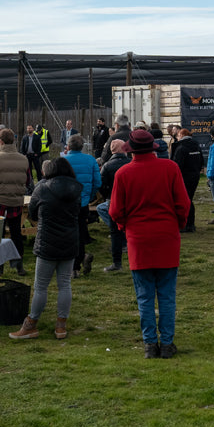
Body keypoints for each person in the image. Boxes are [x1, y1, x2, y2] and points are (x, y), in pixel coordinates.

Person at [110, 129, 191, 359]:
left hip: (139, 240)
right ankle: (166, 344)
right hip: (167, 237)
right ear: (153, 148)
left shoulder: (123, 174)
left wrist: (125, 226)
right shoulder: (170, 168)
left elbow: (115, 211)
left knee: (144, 296)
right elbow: (183, 204)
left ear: (131, 149)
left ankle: (149, 344)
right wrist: (178, 224)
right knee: (166, 294)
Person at [9, 157, 82, 340]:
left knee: (41, 287)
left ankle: (31, 324)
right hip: (70, 240)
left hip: (47, 241)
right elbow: (78, 212)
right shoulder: (76, 189)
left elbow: (32, 212)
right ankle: (61, 326)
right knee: (65, 284)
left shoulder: (42, 188)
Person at [0, 128, 33, 270]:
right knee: (16, 233)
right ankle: (18, 264)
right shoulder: (24, 159)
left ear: (0, 141)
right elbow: (28, 180)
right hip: (16, 201)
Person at [64, 135, 101, 276]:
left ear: (68, 146)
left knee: (68, 233)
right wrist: (89, 196)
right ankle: (80, 259)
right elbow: (97, 182)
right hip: (83, 202)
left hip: (66, 202)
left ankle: (74, 265)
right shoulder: (90, 160)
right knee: (80, 231)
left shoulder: (63, 160)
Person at [97, 139, 131, 271]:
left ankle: (117, 263)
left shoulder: (107, 166)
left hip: (113, 200)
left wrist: (108, 195)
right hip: (130, 200)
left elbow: (101, 185)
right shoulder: (130, 163)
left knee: (114, 231)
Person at [171, 128, 204, 232]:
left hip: (184, 177)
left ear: (181, 135)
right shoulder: (196, 146)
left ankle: (186, 224)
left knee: (184, 200)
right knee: (189, 199)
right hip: (194, 175)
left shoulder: (181, 148)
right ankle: (190, 224)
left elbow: (177, 165)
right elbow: (201, 161)